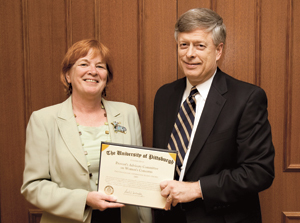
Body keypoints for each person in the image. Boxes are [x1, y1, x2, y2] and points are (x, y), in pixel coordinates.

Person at [152, 8, 275, 223]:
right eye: (184, 45)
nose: (190, 53)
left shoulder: (247, 98)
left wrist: (197, 189)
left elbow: (259, 172)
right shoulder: (164, 95)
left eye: (200, 45)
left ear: (218, 51)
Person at [21, 39, 152, 223]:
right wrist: (84, 200)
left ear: (107, 76)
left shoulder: (127, 113)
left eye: (100, 66)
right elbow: (33, 187)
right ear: (68, 75)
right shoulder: (43, 120)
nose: (93, 71)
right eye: (83, 64)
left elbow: (140, 178)